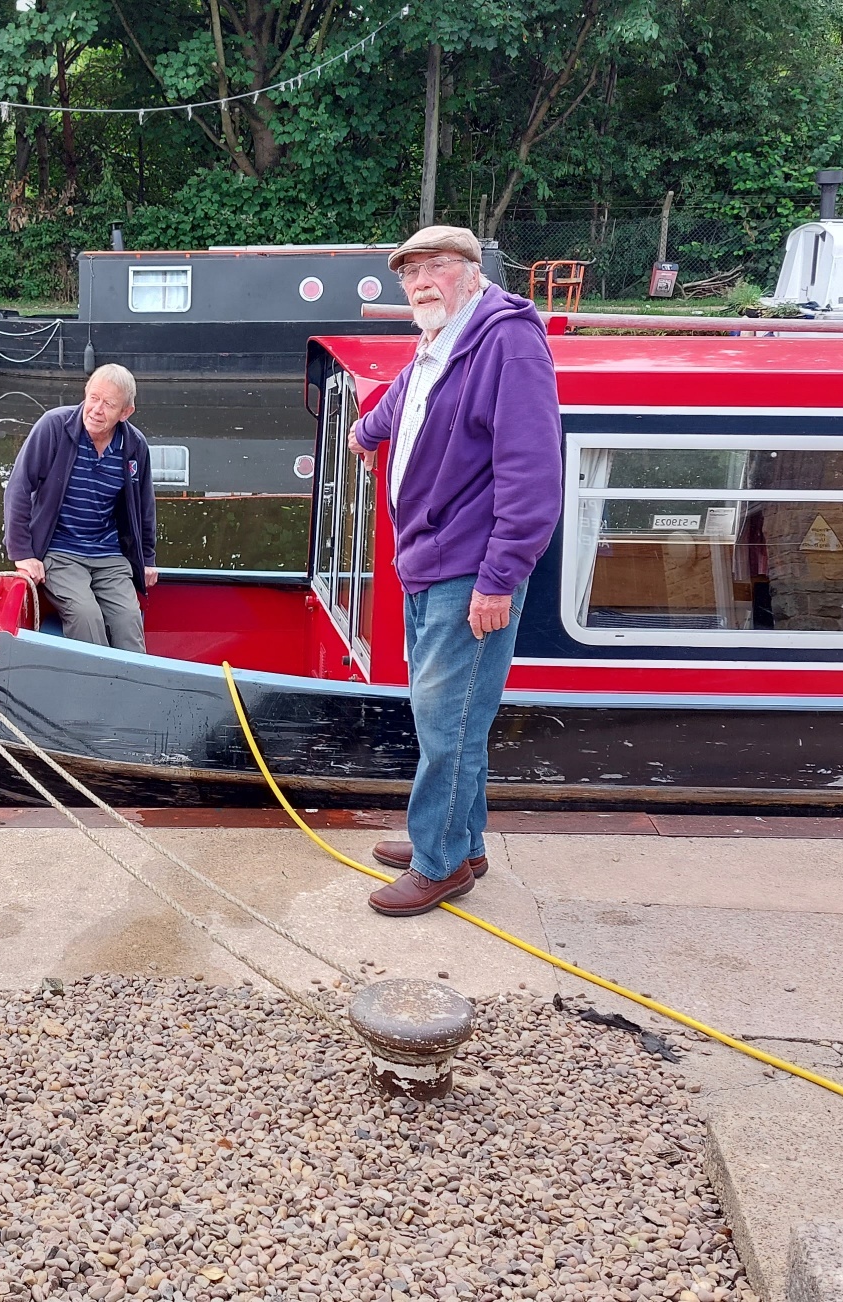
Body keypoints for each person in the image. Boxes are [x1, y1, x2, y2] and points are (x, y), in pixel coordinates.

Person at [351, 226, 563, 917]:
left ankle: (439, 865)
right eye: (409, 272)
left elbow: (534, 476)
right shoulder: (442, 341)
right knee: (451, 717)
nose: (420, 283)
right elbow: (409, 398)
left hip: (470, 573)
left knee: (447, 726)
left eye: (435, 267)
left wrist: (499, 579)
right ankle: (462, 843)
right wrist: (366, 430)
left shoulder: (508, 342)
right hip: (429, 563)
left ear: (472, 272)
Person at [4, 364, 159, 651]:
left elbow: (144, 506)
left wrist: (147, 558)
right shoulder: (53, 427)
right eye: (93, 398)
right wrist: (23, 554)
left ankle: (132, 677)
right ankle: (96, 678)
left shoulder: (135, 446)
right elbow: (19, 487)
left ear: (125, 412)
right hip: (60, 551)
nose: (96, 410)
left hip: (109, 553)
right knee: (85, 615)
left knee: (128, 618)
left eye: (108, 404)